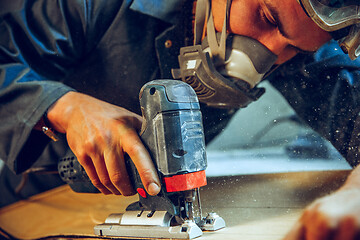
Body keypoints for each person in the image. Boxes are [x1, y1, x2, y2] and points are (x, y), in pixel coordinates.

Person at [0, 0, 359, 239]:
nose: (267, 55)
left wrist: (356, 196)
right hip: (31, 199)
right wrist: (65, 107)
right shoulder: (100, 6)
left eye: (295, 48)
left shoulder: (295, 37)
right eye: (265, 16)